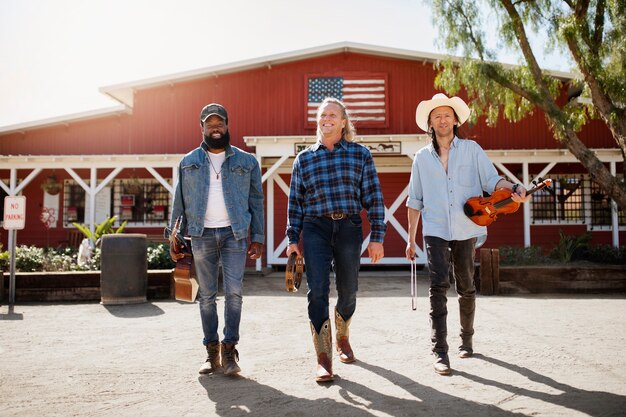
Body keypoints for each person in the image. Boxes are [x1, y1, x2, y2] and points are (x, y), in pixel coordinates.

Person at [405, 93, 530, 376]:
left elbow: (491, 180)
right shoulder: (421, 159)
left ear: (456, 120)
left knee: (466, 285)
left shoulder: (472, 150)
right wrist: (410, 240)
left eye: (447, 114)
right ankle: (440, 351)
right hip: (435, 228)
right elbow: (415, 201)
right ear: (430, 123)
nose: (442, 119)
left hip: (467, 226)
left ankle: (467, 339)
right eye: (436, 116)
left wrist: (513, 187)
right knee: (438, 286)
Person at [286, 97, 386, 382]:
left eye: (332, 114)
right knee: (316, 290)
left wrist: (377, 236)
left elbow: (374, 198)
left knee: (348, 289)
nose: (326, 118)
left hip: (349, 227)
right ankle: (323, 357)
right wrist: (293, 240)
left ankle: (342, 335)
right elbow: (295, 203)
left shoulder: (360, 154)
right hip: (315, 228)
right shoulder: (304, 159)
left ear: (343, 122)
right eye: (322, 115)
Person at [167, 103, 264, 376]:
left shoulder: (247, 161)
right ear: (202, 128)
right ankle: (211, 353)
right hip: (201, 235)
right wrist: (173, 236)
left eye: (219, 123)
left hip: (235, 234)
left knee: (234, 293)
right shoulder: (188, 163)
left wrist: (257, 236)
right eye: (210, 124)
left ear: (227, 125)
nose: (215, 128)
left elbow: (256, 201)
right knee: (207, 296)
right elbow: (179, 203)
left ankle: (230, 350)